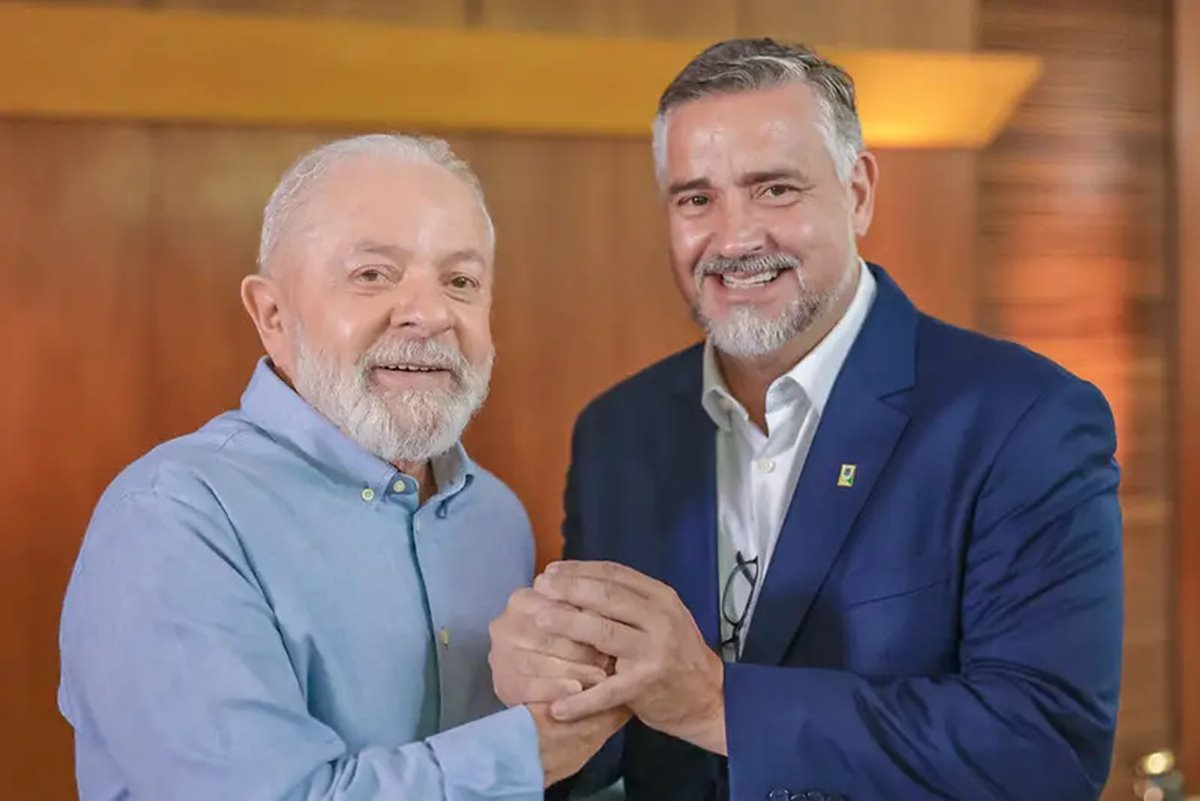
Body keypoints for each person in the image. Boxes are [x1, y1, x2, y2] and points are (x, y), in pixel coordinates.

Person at [488, 39, 1123, 801]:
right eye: (696, 199)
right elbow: (611, 752)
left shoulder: (1024, 418)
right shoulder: (616, 431)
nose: (734, 238)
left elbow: (1045, 750)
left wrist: (718, 703)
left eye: (775, 189)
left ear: (858, 192)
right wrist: (546, 700)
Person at [57, 134, 624, 801]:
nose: (430, 314)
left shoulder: (493, 517)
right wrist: (530, 749)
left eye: (461, 281)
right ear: (272, 315)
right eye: (373, 274)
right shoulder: (171, 519)